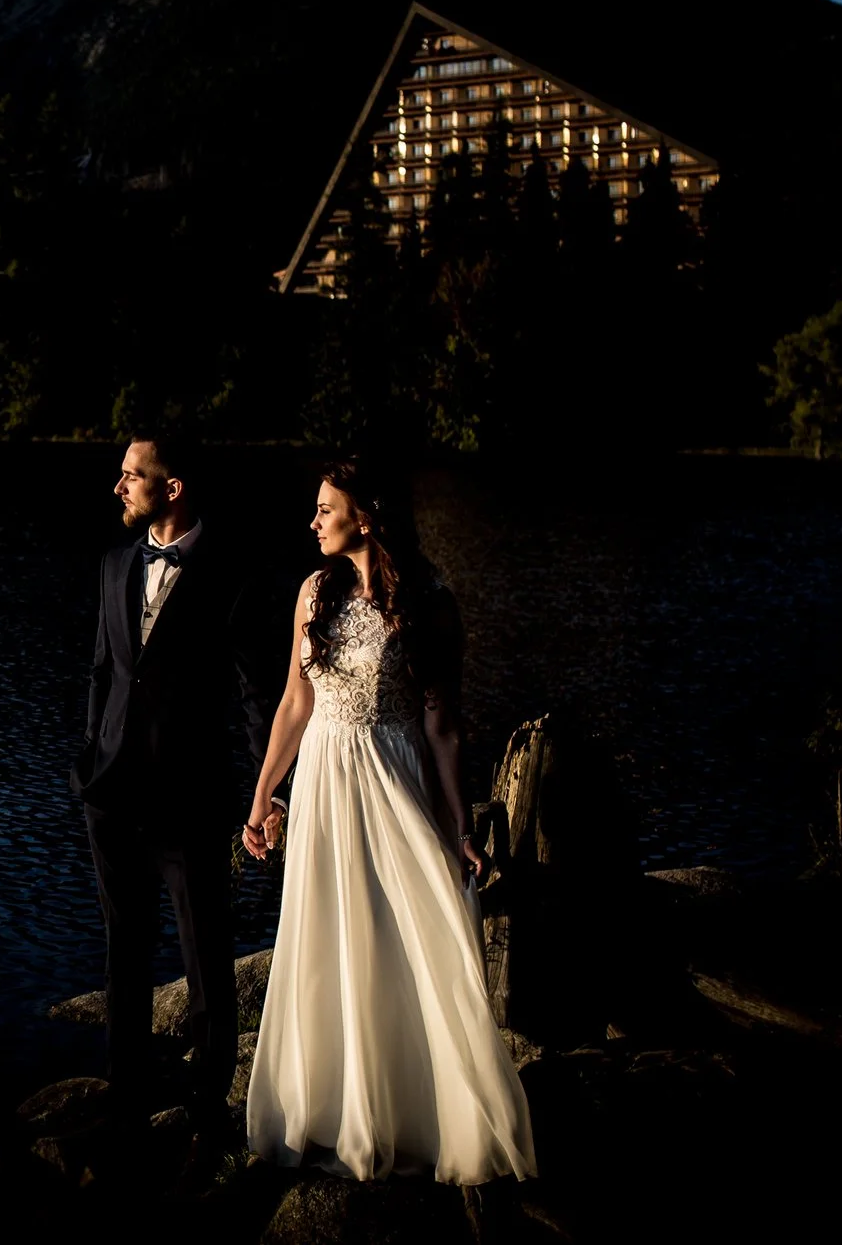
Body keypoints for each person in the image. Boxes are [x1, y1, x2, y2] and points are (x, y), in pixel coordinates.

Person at [242, 459, 537, 1184]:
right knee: (326, 935)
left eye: (325, 508)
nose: (312, 520)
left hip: (390, 777)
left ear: (366, 516)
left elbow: (444, 729)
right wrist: (262, 798)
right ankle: (334, 1109)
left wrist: (458, 823)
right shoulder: (314, 592)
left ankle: (412, 1110)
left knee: (403, 931)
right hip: (321, 782)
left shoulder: (430, 602)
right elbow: (293, 703)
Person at [72, 432, 285, 1128]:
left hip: (188, 801)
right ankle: (125, 1090)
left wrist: (268, 792)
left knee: (206, 954)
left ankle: (209, 1101)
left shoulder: (233, 574)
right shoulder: (113, 565)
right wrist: (87, 767)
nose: (119, 485)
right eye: (121, 473)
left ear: (174, 487)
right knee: (123, 948)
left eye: (133, 474)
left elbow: (259, 697)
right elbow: (104, 674)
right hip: (111, 798)